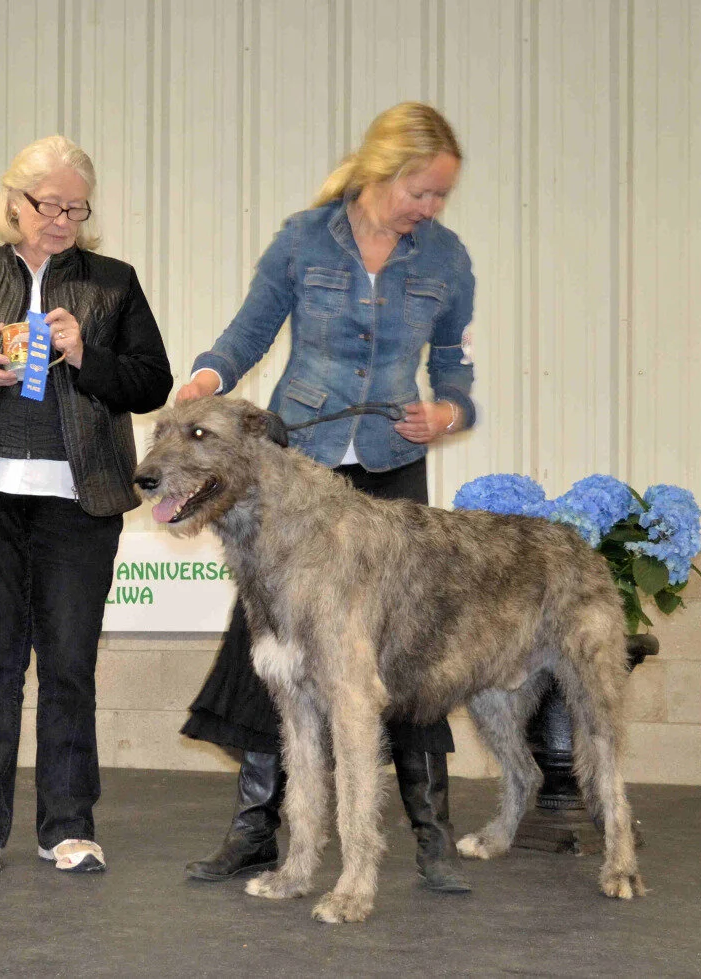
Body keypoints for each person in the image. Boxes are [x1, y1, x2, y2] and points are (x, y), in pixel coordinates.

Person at [176, 102, 476, 893]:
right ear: (384, 170)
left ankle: (431, 834)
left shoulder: (446, 258)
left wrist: (449, 410)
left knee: (411, 651)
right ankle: (255, 829)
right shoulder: (304, 240)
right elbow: (249, 331)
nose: (431, 210)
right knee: (270, 655)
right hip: (296, 470)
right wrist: (207, 381)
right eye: (423, 191)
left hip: (390, 466)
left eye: (442, 197)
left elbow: (453, 363)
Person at [0, 135, 173, 876]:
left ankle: (69, 826)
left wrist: (89, 356)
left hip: (79, 502)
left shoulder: (114, 283)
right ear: (14, 204)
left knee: (71, 665)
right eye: (49, 205)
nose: (62, 221)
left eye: (77, 209)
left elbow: (151, 384)